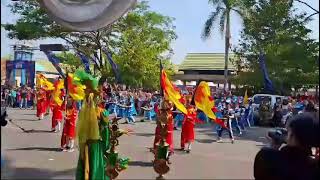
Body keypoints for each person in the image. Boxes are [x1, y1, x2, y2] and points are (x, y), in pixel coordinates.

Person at [254, 113, 319, 180]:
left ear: (292, 136)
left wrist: (273, 146)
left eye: (288, 131)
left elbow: (260, 174)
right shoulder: (314, 168)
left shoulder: (267, 156)